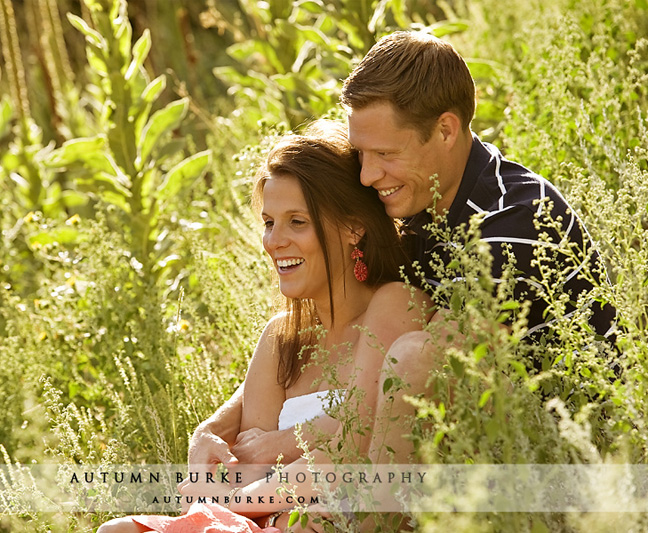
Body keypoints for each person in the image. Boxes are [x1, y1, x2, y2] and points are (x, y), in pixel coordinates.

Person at [189, 29, 617, 483]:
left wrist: (287, 441)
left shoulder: (514, 224)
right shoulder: (417, 202)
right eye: (360, 154)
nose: (369, 175)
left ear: (446, 129)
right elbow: (344, 328)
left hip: (564, 457)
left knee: (413, 356)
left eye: (385, 154)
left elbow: (417, 377)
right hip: (457, 446)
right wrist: (217, 425)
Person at [96, 121, 433, 533]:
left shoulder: (394, 304)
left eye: (297, 222)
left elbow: (355, 443)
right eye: (269, 222)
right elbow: (248, 464)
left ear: (352, 228)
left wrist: (266, 464)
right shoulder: (281, 338)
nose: (275, 241)